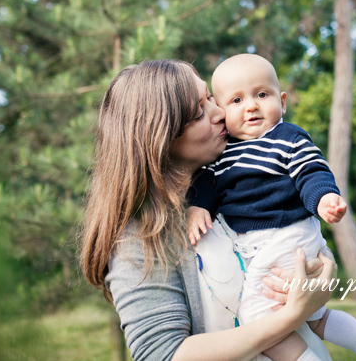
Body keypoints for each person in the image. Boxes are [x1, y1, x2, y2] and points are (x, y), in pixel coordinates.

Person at [80, 60, 335, 361]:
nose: (220, 113)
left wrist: (319, 271)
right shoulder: (137, 240)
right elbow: (161, 355)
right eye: (199, 112)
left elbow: (289, 240)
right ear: (159, 139)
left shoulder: (235, 182)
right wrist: (291, 316)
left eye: (210, 98)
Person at [187, 54, 356, 361]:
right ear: (221, 109)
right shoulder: (222, 154)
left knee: (257, 318)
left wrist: (324, 199)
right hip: (266, 243)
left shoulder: (287, 138)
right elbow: (207, 186)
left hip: (286, 234)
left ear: (281, 102)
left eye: (261, 95)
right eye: (237, 100)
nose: (252, 106)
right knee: (313, 315)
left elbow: (311, 172)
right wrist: (197, 208)